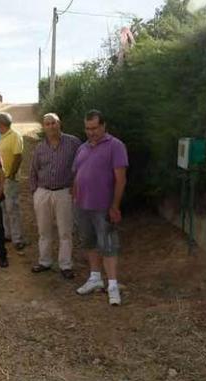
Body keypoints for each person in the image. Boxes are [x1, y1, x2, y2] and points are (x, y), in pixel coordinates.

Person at [72, 110, 128, 306]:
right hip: (82, 206)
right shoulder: (82, 148)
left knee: (108, 246)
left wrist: (115, 206)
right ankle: (95, 278)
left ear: (103, 126)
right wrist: (75, 197)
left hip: (103, 207)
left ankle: (113, 286)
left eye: (95, 128)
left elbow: (120, 179)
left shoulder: (115, 146)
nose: (91, 132)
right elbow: (77, 174)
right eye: (88, 129)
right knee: (89, 242)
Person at [29, 112, 82, 279]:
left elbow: (82, 165)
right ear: (44, 127)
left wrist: (76, 186)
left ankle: (65, 265)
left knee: (65, 231)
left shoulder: (73, 143)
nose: (51, 126)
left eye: (54, 123)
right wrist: (35, 192)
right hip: (43, 192)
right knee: (44, 230)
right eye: (47, 124)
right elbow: (33, 170)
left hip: (64, 192)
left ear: (60, 124)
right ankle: (45, 261)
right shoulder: (40, 147)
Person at [0, 112, 26, 249]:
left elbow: (18, 156)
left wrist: (12, 174)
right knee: (3, 208)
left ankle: (17, 238)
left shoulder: (15, 136)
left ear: (1, 124)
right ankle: (8, 234)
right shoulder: (3, 137)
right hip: (2, 179)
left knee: (12, 208)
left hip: (10, 178)